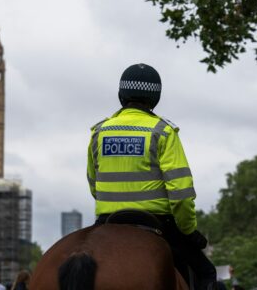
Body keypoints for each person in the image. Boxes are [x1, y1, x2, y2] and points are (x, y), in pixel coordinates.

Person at [87, 63, 216, 290]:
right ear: (155, 98)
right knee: (207, 272)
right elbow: (182, 194)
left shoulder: (100, 132)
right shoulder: (162, 132)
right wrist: (188, 231)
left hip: (106, 221)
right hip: (158, 223)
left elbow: (93, 184)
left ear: (121, 95)